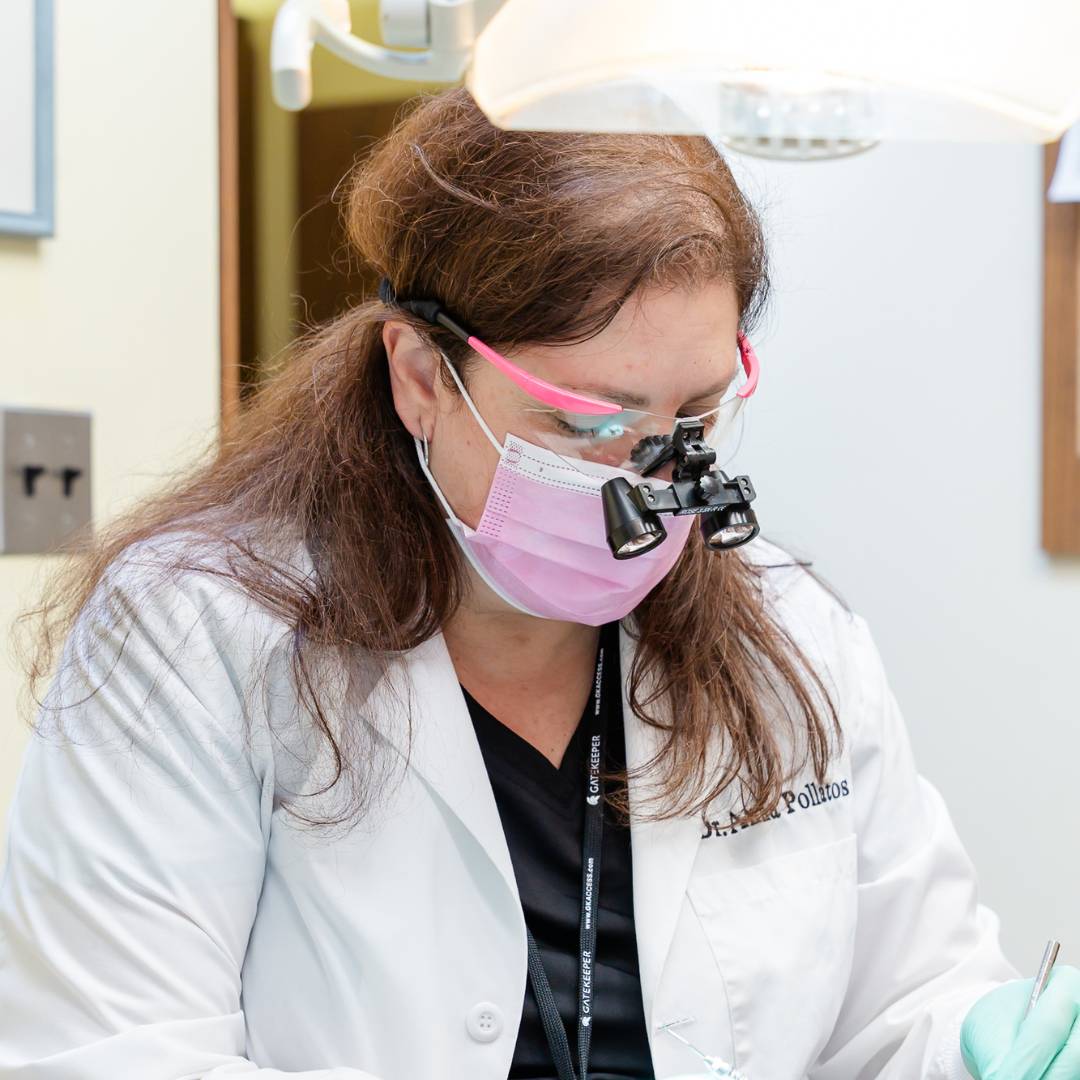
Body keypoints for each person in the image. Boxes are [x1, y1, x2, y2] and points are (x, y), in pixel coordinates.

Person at [0, 87, 1074, 1080]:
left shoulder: (790, 635)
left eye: (691, 419)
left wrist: (977, 1044)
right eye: (586, 424)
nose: (651, 480)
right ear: (422, 377)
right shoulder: (199, 631)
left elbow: (904, 1007)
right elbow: (114, 1051)